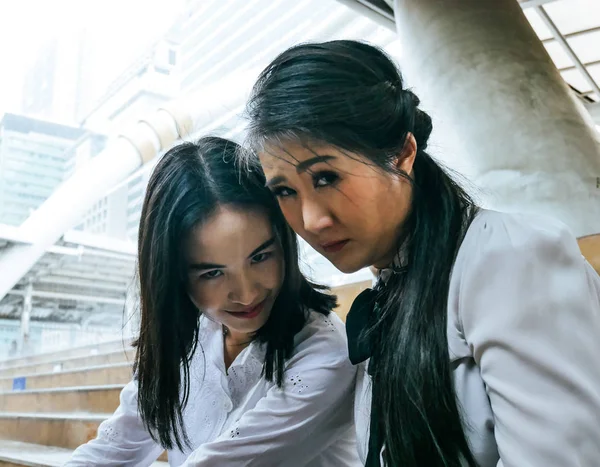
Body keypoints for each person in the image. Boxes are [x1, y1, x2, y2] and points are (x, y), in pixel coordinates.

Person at [241, 40, 600, 466]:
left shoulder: (509, 257)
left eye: (325, 177)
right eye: (285, 191)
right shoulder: (393, 287)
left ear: (402, 154)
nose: (312, 219)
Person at [66, 137, 359, 466]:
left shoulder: (326, 355)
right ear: (174, 276)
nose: (246, 293)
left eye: (260, 256)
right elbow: (112, 450)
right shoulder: (187, 342)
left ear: (283, 240)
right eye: (212, 274)